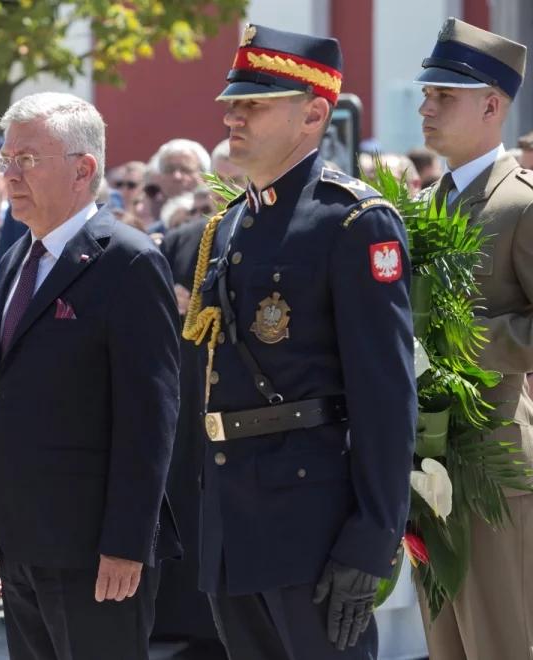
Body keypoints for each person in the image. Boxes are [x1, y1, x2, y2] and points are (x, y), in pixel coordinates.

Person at [181, 24, 417, 660]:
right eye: (234, 100)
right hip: (234, 516)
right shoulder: (229, 225)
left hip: (313, 518)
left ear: (314, 113)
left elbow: (386, 395)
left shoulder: (352, 221)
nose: (233, 114)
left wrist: (373, 536)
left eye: (254, 103)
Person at [0, 92, 180, 660]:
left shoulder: (127, 260)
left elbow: (149, 417)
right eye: (5, 159)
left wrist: (127, 544)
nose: (9, 174)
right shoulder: (14, 261)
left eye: (27, 159)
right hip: (20, 541)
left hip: (92, 550)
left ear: (83, 169)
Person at [413, 18, 533, 660]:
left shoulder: (520, 205)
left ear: (492, 105)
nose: (426, 107)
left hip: (492, 459)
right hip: (427, 462)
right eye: (425, 94)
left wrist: (457, 340)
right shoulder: (426, 202)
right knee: (446, 645)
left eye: (445, 96)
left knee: (500, 642)